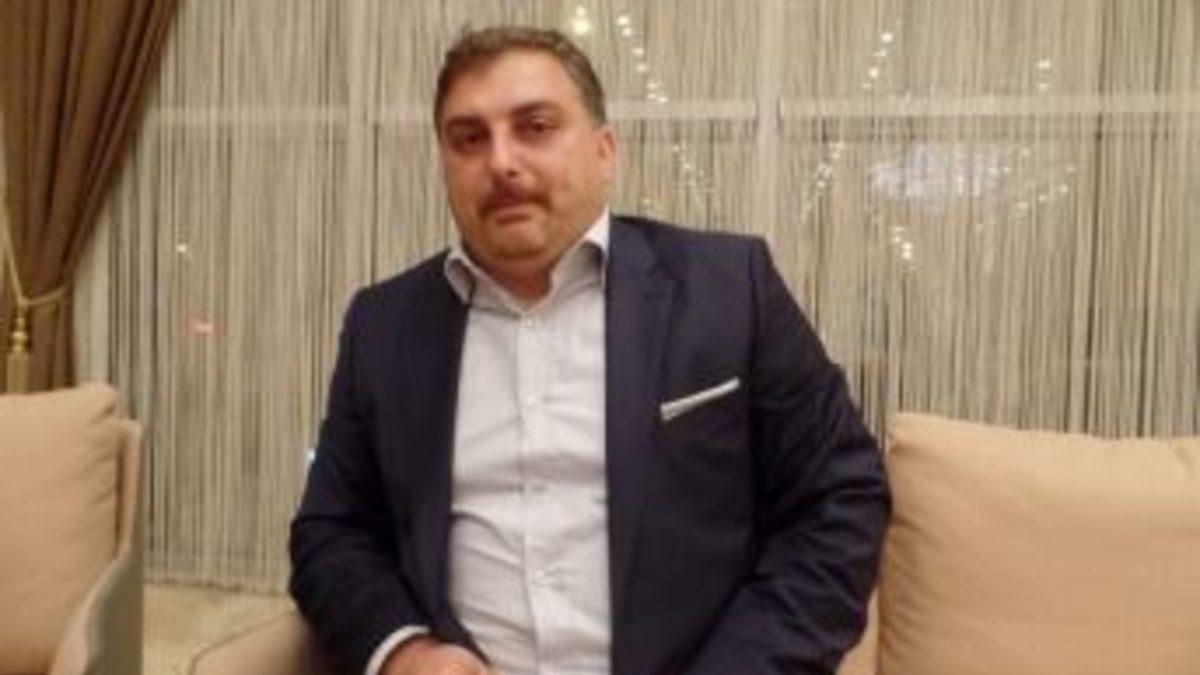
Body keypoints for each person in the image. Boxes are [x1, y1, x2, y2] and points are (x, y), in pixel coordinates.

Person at [289, 25, 890, 675]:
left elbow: (840, 498)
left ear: (605, 151)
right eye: (469, 138)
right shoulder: (385, 325)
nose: (501, 161)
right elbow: (331, 531)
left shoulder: (728, 290)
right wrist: (405, 652)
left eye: (535, 127)